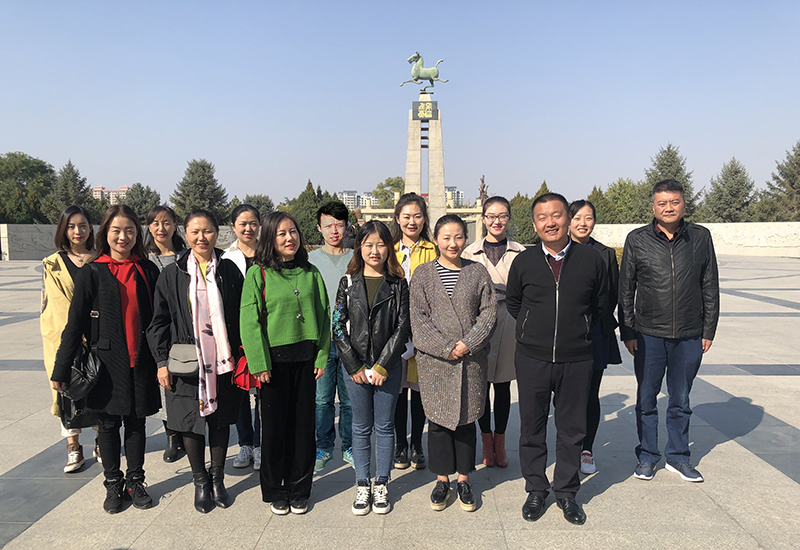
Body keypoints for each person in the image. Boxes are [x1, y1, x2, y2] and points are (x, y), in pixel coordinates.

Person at [51, 205, 160, 514]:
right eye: (116, 230)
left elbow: (158, 318)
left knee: (137, 423)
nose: (123, 237)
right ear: (105, 234)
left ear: (137, 234)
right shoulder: (93, 271)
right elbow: (75, 324)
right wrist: (61, 368)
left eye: (129, 230)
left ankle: (135, 481)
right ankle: (113, 483)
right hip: (106, 364)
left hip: (141, 361)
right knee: (108, 425)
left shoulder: (147, 270)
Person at [506, 193, 607, 526]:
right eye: (542, 217)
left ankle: (566, 492)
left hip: (576, 359)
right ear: (534, 224)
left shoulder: (592, 260)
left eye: (557, 215)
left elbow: (601, 304)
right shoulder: (524, 261)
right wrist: (532, 328)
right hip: (532, 358)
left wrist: (579, 329)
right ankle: (536, 489)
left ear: (567, 218)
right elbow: (515, 303)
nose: (550, 223)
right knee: (532, 427)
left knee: (572, 429)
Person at [619, 179, 719, 483]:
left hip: (689, 334)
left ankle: (678, 457)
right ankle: (647, 456)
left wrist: (709, 329)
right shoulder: (637, 239)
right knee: (646, 398)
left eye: (674, 202)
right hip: (648, 334)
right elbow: (626, 290)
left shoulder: (700, 237)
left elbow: (709, 285)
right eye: (662, 203)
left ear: (684, 204)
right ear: (653, 207)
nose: (669, 208)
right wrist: (628, 331)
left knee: (681, 399)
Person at [147, 209, 244, 513]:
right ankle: (200, 481)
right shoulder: (172, 273)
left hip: (223, 361)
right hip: (186, 362)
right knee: (190, 423)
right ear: (185, 234)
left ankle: (217, 479)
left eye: (208, 231)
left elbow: (243, 315)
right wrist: (161, 362)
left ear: (217, 233)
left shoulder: (229, 270)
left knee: (220, 420)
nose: (202, 237)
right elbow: (159, 321)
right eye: (195, 232)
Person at [240, 211, 331, 515]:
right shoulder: (258, 274)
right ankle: (275, 488)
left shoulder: (311, 272)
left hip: (306, 361)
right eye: (281, 233)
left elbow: (324, 315)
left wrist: (321, 355)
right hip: (273, 365)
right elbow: (249, 321)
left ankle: (300, 487)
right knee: (275, 429)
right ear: (270, 238)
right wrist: (259, 362)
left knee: (303, 429)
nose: (290, 238)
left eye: (293, 231)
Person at [410, 214, 497, 512]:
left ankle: (464, 479)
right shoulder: (423, 274)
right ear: (435, 239)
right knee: (438, 422)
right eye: (446, 237)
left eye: (458, 236)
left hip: (470, 360)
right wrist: (446, 348)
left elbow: (489, 313)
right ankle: (441, 479)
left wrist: (468, 343)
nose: (452, 243)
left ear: (466, 239)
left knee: (466, 421)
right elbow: (418, 319)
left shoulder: (477, 272)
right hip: (436, 362)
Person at [332, 220, 410, 515]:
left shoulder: (398, 283)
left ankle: (382, 483)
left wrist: (382, 365)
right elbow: (337, 326)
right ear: (359, 247)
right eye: (368, 244)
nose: (374, 251)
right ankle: (362, 483)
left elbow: (403, 327)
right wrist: (353, 365)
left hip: (387, 367)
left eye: (380, 244)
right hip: (355, 367)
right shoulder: (348, 282)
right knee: (361, 427)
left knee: (385, 426)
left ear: (389, 247)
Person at [461, 196, 524, 468]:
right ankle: (486, 440)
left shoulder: (520, 252)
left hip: (510, 318)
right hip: (480, 321)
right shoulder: (469, 252)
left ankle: (500, 441)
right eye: (491, 216)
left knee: (504, 384)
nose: (496, 221)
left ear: (508, 218)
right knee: (482, 384)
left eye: (502, 216)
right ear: (483, 218)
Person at [40, 205, 100, 473]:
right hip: (64, 338)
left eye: (83, 225)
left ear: (91, 228)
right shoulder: (53, 263)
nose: (78, 231)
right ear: (63, 230)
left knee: (99, 387)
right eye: (72, 226)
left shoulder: (100, 258)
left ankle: (101, 441)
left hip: (97, 336)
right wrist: (75, 337)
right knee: (64, 390)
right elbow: (56, 306)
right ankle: (73, 446)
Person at [568, 200, 623, 475]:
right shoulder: (558, 250)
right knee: (566, 396)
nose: (582, 223)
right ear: (568, 221)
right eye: (577, 217)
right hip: (565, 334)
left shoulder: (605, 253)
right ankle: (568, 446)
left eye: (588, 218)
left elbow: (613, 293)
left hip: (596, 332)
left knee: (591, 393)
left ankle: (586, 449)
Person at [309, 201, 354, 472]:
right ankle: (323, 447)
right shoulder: (310, 261)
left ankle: (349, 446)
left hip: (350, 341)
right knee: (322, 400)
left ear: (347, 226)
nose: (334, 231)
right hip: (322, 342)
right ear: (319, 228)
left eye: (339, 224)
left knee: (349, 400)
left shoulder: (356, 258)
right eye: (328, 225)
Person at [392, 192, 435, 470]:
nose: (412, 221)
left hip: (424, 332)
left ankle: (417, 443)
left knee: (419, 392)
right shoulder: (387, 249)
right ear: (397, 218)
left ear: (424, 219)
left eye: (417, 216)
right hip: (394, 332)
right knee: (397, 391)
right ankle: (400, 444)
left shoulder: (434, 250)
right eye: (406, 216)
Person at [145, 205, 186, 463]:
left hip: (184, 327)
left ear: (175, 225)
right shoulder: (144, 259)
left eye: (167, 222)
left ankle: (186, 429)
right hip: (157, 327)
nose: (161, 228)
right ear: (149, 227)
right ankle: (171, 434)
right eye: (156, 223)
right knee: (163, 381)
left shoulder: (186, 256)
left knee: (185, 378)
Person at [222, 204, 263, 471]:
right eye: (243, 224)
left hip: (265, 331)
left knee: (262, 390)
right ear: (233, 226)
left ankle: (260, 444)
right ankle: (245, 443)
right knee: (240, 389)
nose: (248, 229)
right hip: (236, 332)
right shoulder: (226, 258)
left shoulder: (268, 254)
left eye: (253, 223)